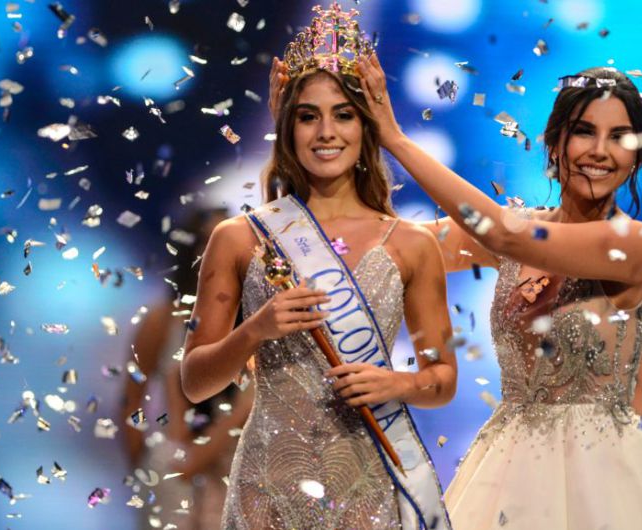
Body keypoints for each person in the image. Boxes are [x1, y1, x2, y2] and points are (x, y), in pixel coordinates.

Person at [356, 57, 642, 529]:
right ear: (555, 142)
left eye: (619, 138)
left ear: (637, 156)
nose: (600, 151)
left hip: (604, 482)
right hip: (508, 469)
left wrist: (397, 140)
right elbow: (397, 247)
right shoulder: (521, 227)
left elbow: (506, 236)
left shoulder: (634, 244)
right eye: (584, 132)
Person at [180, 4, 456, 529]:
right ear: (288, 127)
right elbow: (194, 382)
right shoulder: (239, 237)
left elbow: (442, 380)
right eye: (308, 116)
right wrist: (255, 331)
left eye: (343, 114)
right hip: (267, 489)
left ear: (366, 126)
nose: (326, 132)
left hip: (367, 490)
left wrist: (395, 385)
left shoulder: (412, 244)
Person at [121, 208, 251, 530]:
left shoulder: (253, 319)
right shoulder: (163, 319)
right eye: (208, 242)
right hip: (176, 471)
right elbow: (131, 400)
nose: (217, 252)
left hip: (239, 473)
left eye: (227, 242)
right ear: (190, 249)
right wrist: (144, 465)